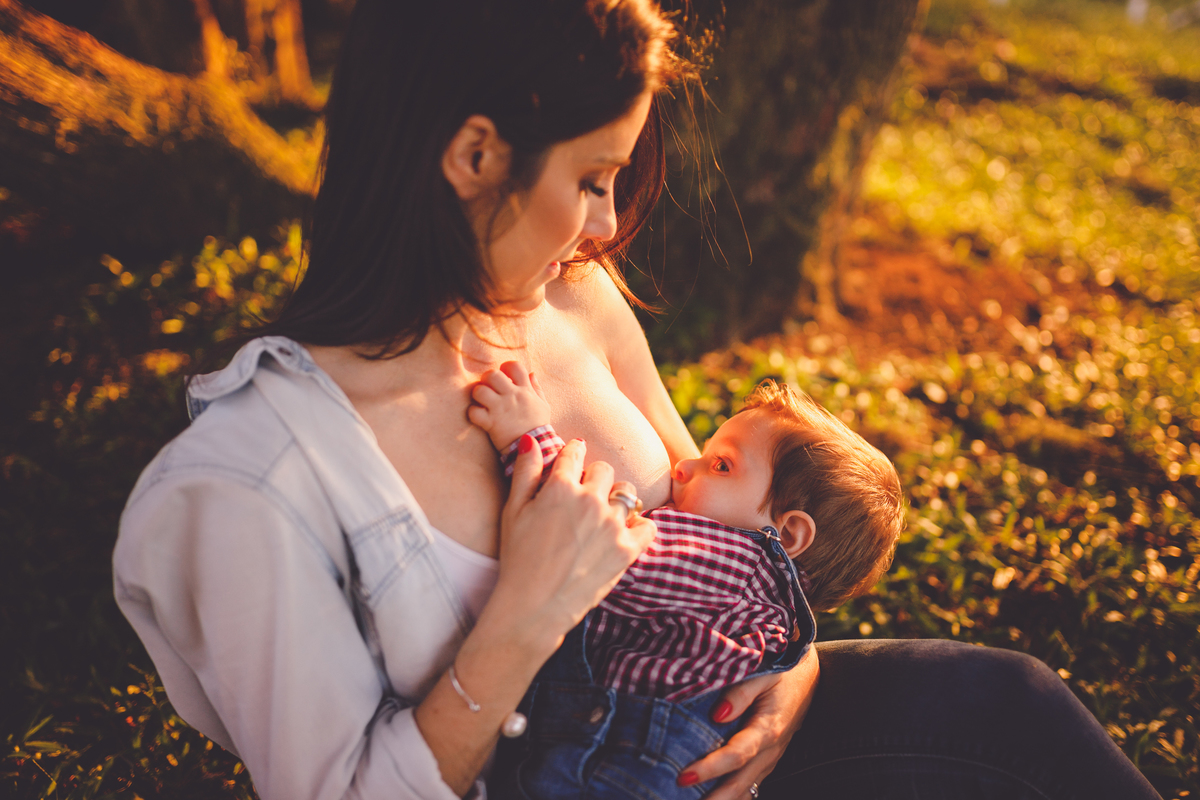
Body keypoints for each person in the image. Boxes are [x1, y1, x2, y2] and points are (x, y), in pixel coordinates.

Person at [112, 1, 1164, 799]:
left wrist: (787, 672)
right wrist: (523, 614)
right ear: (474, 154)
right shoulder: (256, 478)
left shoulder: (575, 298)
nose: (610, 224)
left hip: (712, 747)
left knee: (1006, 705)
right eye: (594, 176)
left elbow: (741, 545)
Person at [467, 366, 902, 798]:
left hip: (614, 768)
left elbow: (590, 549)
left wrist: (527, 436)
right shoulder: (764, 601)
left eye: (721, 464)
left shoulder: (734, 563)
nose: (682, 466)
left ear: (787, 535)